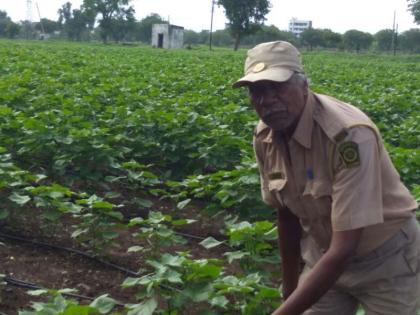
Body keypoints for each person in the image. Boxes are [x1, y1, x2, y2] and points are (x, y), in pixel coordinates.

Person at [232, 41, 420, 315]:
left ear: (304, 86)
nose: (268, 100)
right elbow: (286, 215)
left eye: (278, 87)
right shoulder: (266, 136)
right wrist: (290, 288)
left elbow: (345, 248)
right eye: (257, 91)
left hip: (385, 262)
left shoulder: (349, 137)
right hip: (324, 255)